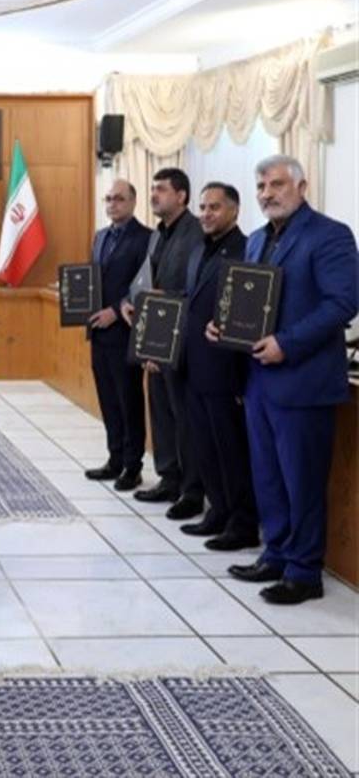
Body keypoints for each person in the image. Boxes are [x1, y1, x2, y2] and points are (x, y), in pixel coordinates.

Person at [220, 156, 357, 604]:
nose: (267, 194)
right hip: (258, 379)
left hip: (303, 380)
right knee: (268, 477)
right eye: (261, 186)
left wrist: (288, 343)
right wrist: (225, 325)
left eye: (277, 184)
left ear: (302, 186)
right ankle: (275, 554)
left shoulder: (330, 235)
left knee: (302, 481)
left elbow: (343, 303)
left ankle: (304, 571)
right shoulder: (258, 239)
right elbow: (249, 300)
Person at [178, 183, 258, 551]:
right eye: (203, 207)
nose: (206, 214)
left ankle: (242, 523)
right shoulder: (198, 250)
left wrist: (241, 377)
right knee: (205, 447)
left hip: (226, 369)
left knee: (231, 450)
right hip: (194, 365)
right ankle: (218, 511)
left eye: (215, 207)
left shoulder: (247, 251)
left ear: (234, 210)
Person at [122, 167, 205, 520]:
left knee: (184, 417)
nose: (154, 194)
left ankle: (192, 490)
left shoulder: (197, 233)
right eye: (152, 188)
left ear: (181, 196)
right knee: (160, 411)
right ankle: (169, 478)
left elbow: (195, 289)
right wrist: (129, 300)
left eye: (161, 189)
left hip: (182, 340)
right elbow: (146, 279)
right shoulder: (158, 234)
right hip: (154, 335)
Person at [84, 180, 150, 491]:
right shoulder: (100, 236)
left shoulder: (146, 238)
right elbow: (92, 281)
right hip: (99, 333)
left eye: (119, 199)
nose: (112, 204)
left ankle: (132, 466)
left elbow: (143, 285)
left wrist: (114, 309)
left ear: (133, 202)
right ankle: (115, 458)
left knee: (129, 401)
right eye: (108, 199)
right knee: (108, 400)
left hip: (125, 330)